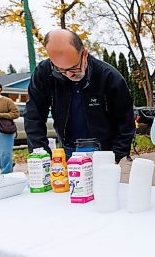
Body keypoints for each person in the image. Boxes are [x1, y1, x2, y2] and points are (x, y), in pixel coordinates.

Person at [24, 29, 135, 162]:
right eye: (61, 70)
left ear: (84, 54)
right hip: (68, 149)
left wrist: (117, 157)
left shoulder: (109, 77)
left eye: (74, 68)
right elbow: (33, 115)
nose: (69, 74)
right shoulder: (44, 73)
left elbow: (125, 122)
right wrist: (41, 155)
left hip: (104, 151)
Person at [0, 82, 19, 174]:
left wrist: (0, 115)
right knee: (0, 154)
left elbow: (16, 114)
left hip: (4, 129)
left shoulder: (6, 101)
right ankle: (7, 166)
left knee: (5, 153)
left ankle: (6, 174)